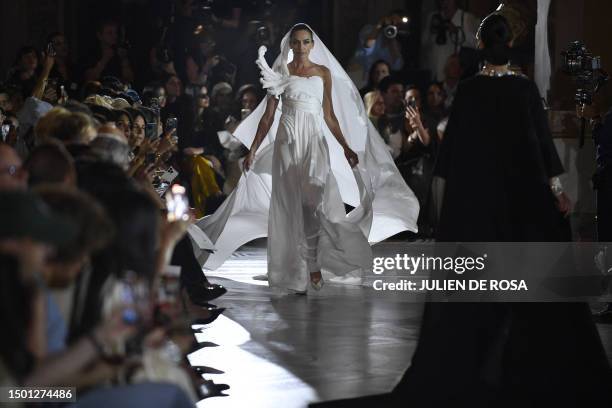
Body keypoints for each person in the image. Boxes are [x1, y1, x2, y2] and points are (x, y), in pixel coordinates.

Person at [391, 14, 612, 406]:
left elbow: (452, 151)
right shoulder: (524, 90)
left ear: (479, 40)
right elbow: (540, 145)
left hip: (477, 202)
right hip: (522, 201)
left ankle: (480, 365)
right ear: (509, 43)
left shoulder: (471, 91)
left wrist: (442, 205)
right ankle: (522, 364)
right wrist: (557, 190)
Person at [192, 23, 419, 294]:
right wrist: (252, 150)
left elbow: (330, 116)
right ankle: (293, 270)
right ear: (290, 45)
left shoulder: (323, 73)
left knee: (313, 200)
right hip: (287, 142)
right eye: (296, 42)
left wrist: (346, 147)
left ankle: (312, 264)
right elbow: (267, 117)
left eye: (305, 42)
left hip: (313, 141)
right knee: (289, 205)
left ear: (312, 44)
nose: (300, 47)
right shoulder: (281, 73)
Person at [420, 0, 479, 81]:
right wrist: (431, 31)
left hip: (455, 72)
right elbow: (424, 42)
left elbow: (475, 43)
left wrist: (456, 31)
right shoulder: (434, 16)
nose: (445, 2)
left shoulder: (465, 17)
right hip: (434, 71)